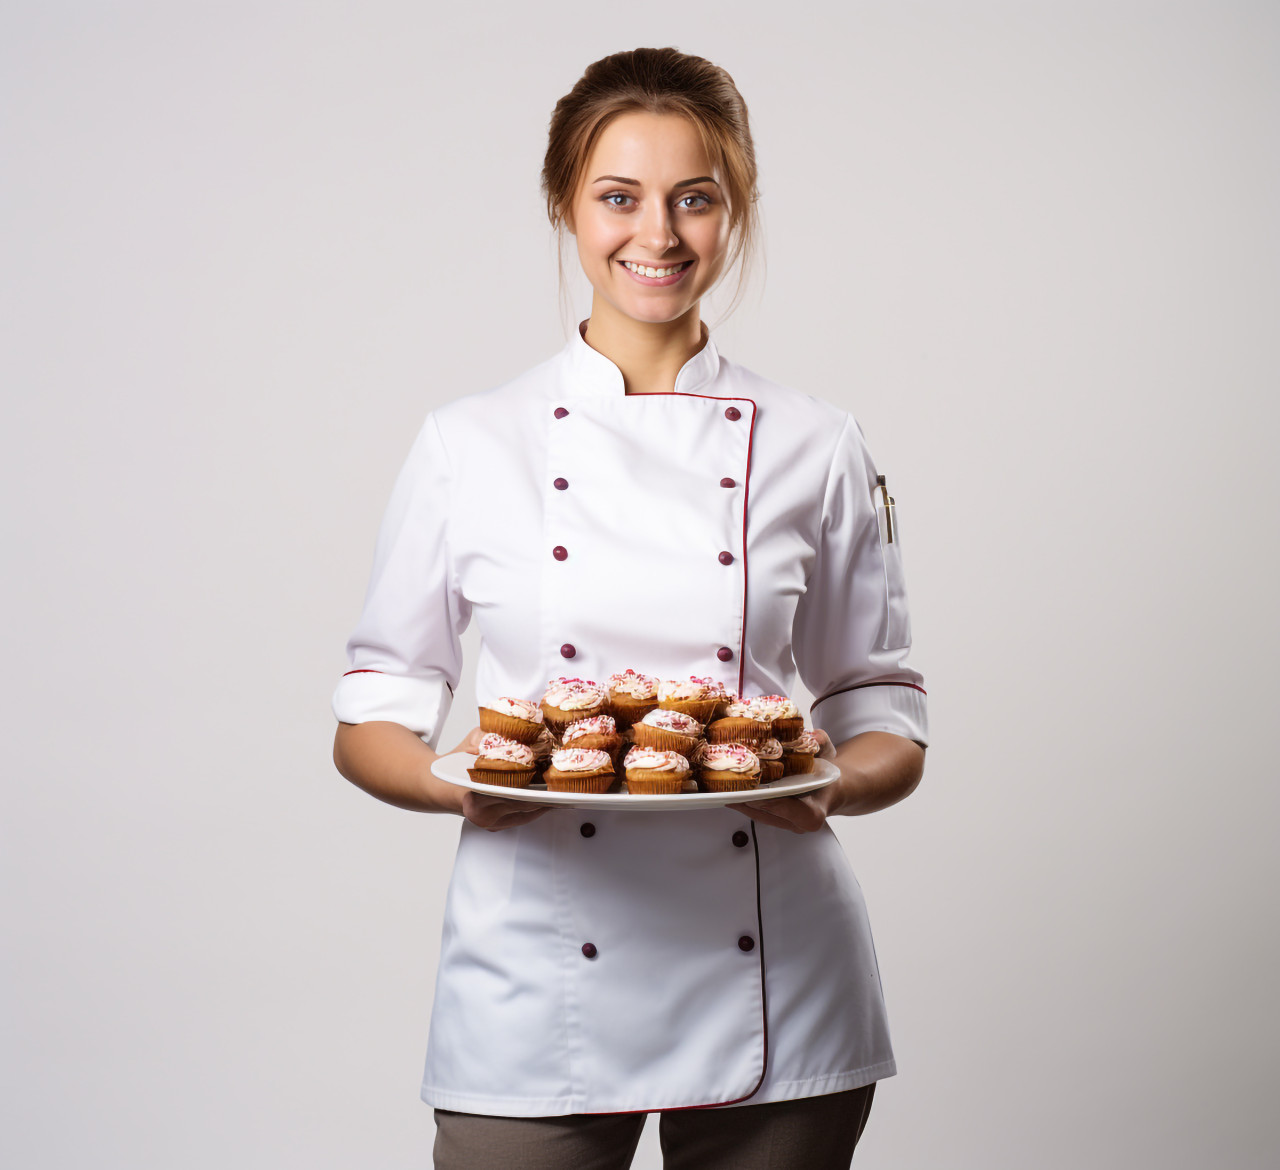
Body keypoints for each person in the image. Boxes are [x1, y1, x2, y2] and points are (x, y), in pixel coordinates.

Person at [331, 47, 927, 1170]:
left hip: (777, 981)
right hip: (532, 965)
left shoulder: (814, 442)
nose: (656, 234)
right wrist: (457, 785)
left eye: (693, 198)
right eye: (618, 196)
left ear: (732, 211)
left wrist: (834, 781)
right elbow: (369, 715)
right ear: (563, 203)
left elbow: (880, 705)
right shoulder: (470, 443)